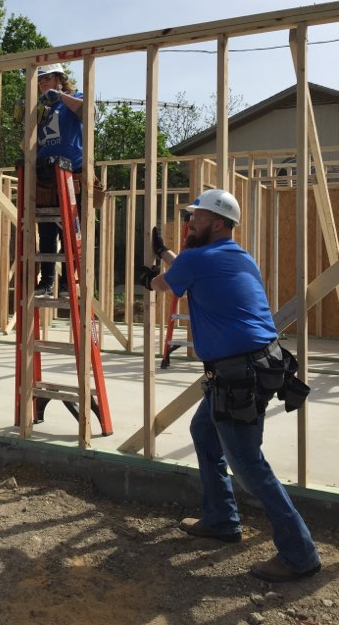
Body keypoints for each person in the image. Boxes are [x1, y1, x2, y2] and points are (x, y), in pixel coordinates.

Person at [139, 189, 321, 583]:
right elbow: (187, 273)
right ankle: (222, 519)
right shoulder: (236, 256)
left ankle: (300, 553)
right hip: (258, 367)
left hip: (239, 375)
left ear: (219, 223)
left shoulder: (198, 259)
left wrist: (150, 276)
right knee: (203, 431)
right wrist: (167, 253)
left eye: (199, 217)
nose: (191, 222)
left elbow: (166, 286)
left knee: (248, 465)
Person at [34, 63, 83, 297]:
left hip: (71, 172)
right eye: (39, 80)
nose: (41, 83)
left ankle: (66, 282)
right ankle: (47, 281)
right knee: (46, 231)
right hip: (46, 174)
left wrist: (61, 97)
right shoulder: (41, 106)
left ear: (57, 78)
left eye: (45, 79)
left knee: (69, 232)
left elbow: (86, 112)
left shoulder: (73, 98)